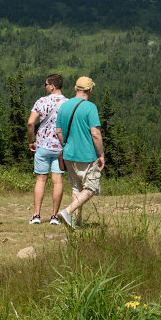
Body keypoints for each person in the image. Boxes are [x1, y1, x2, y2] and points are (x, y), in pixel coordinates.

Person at [55, 76, 105, 229]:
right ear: (90, 90)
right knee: (91, 188)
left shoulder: (64, 106)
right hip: (86, 155)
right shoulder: (90, 107)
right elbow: (95, 133)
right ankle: (68, 211)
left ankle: (76, 222)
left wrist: (67, 144)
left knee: (77, 188)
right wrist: (101, 154)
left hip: (69, 154)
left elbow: (58, 131)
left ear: (75, 88)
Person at [27, 73, 67, 225]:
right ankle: (54, 217)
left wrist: (32, 141)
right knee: (57, 182)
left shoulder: (41, 102)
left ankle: (36, 215)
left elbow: (30, 123)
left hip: (42, 146)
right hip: (60, 148)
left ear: (52, 86)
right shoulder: (68, 103)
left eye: (45, 84)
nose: (44, 87)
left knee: (41, 180)